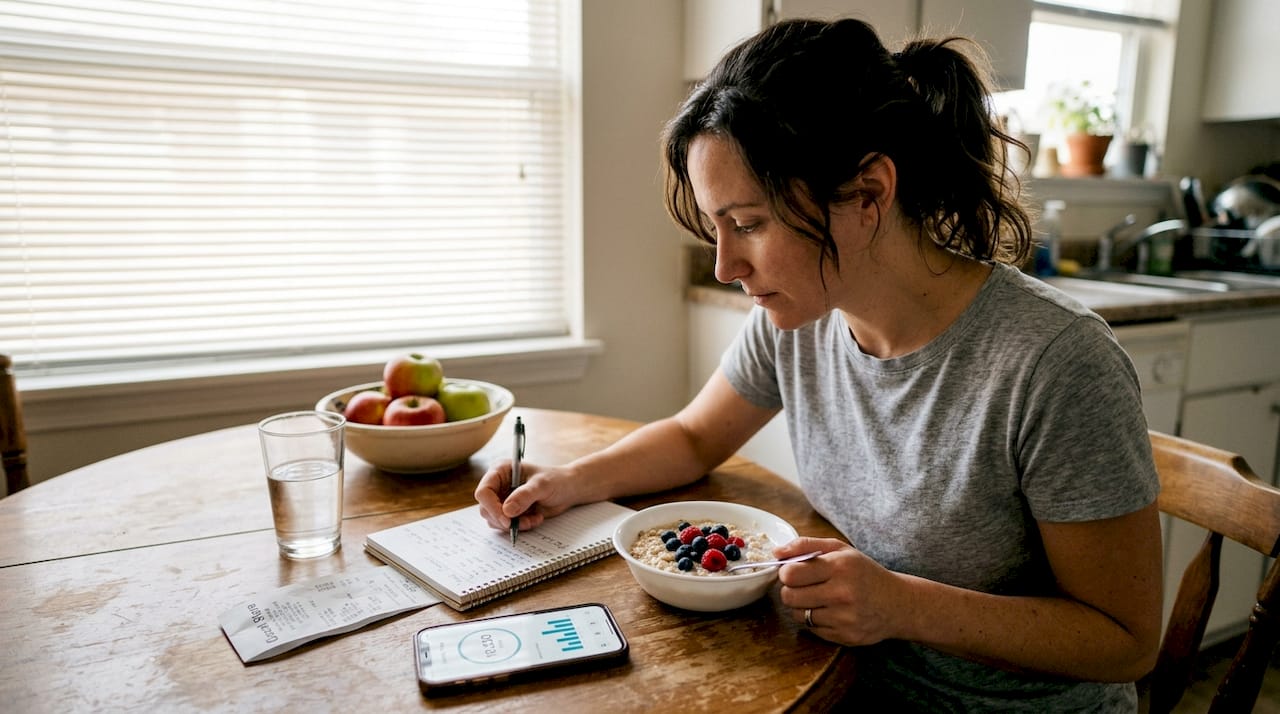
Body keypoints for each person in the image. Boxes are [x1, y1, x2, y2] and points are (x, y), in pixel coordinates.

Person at [475, 17, 1161, 711]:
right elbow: (694, 437)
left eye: (747, 224)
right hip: (843, 682)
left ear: (868, 195)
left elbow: (1126, 639)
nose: (724, 266)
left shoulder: (1056, 364)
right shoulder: (800, 318)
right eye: (717, 228)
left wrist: (902, 607)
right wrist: (564, 483)